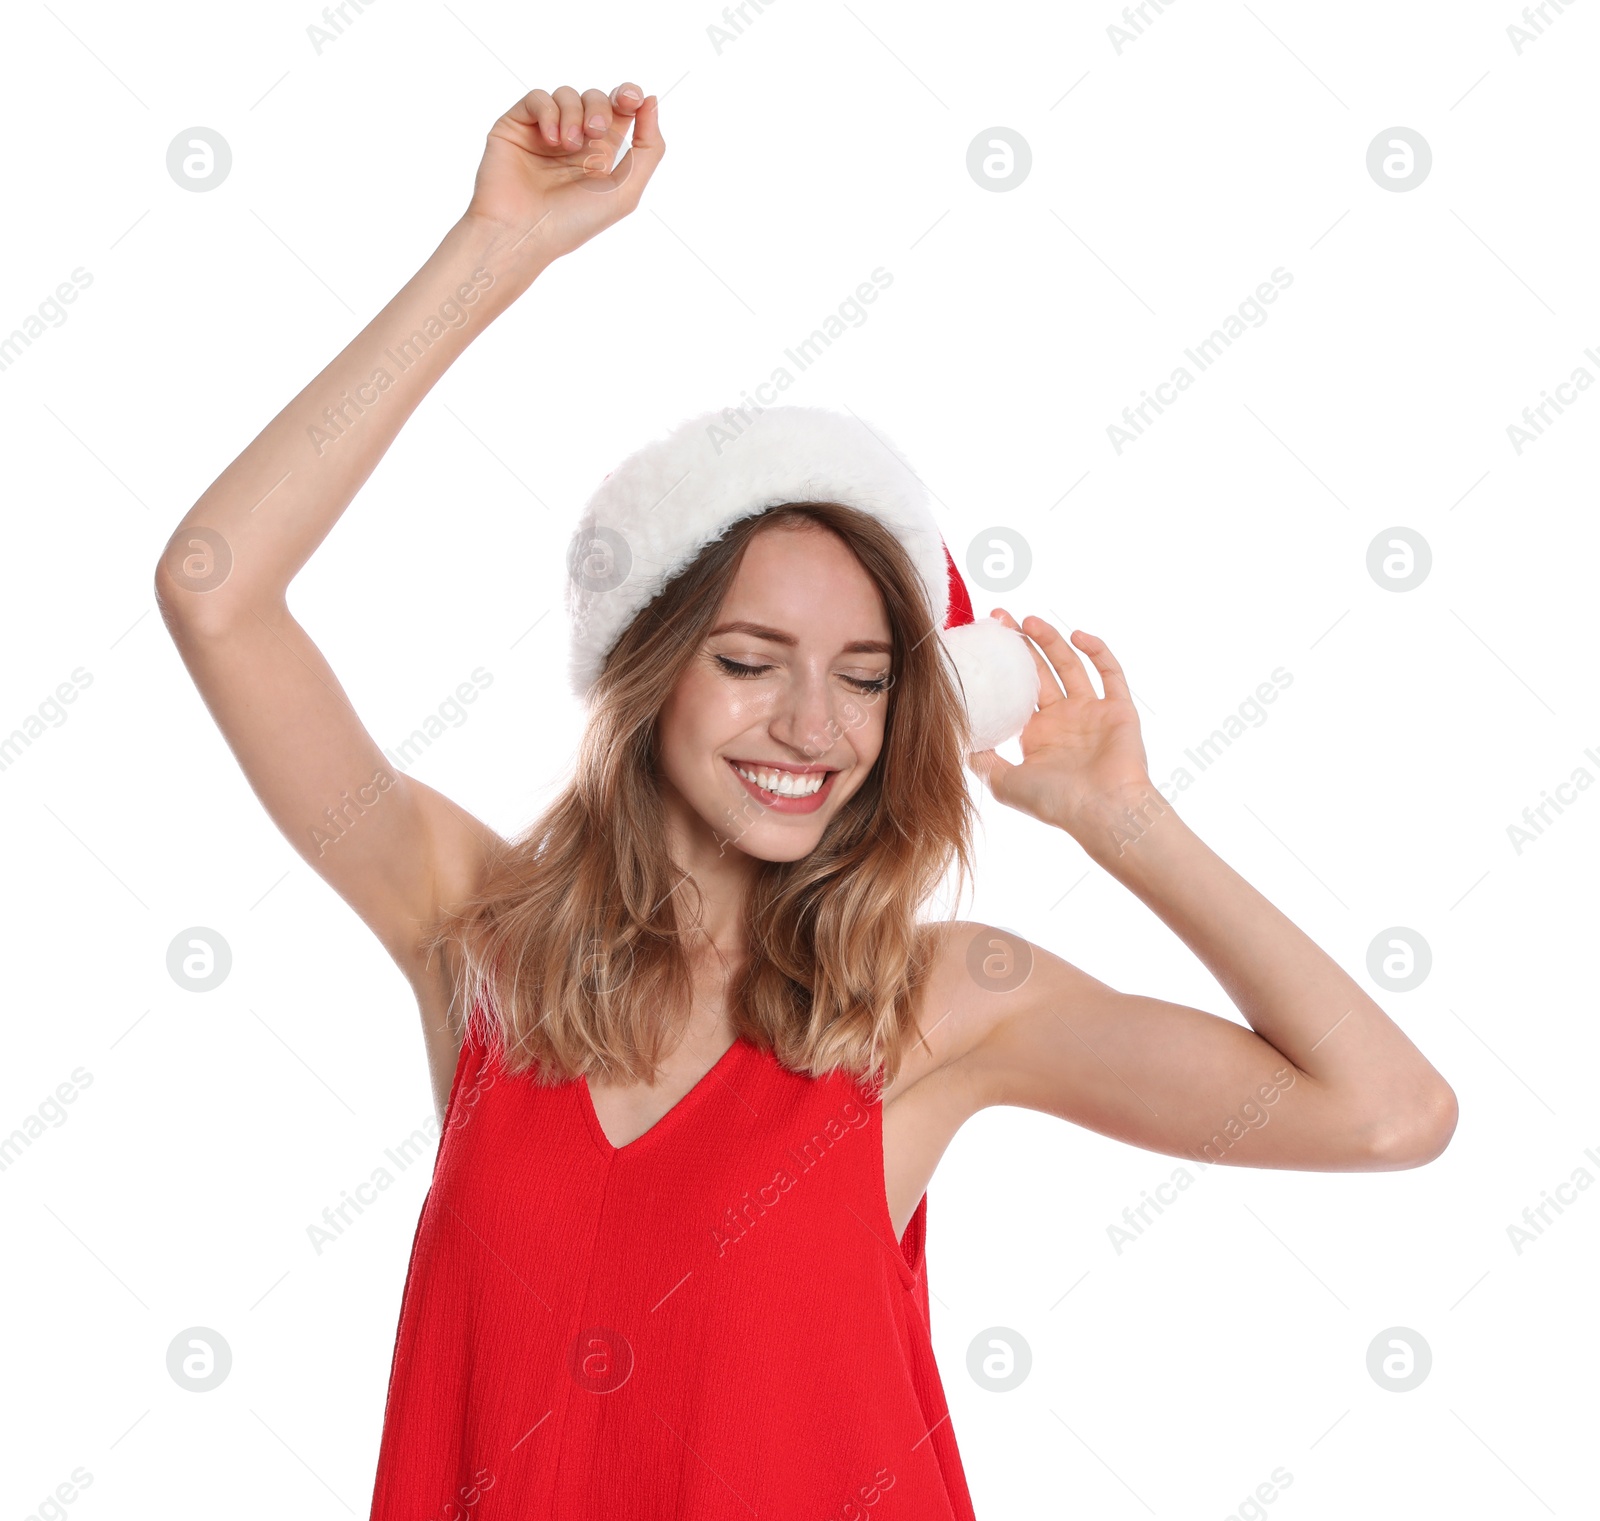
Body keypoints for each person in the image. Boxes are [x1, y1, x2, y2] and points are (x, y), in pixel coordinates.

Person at [153, 82, 1458, 1521]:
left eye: (864, 676)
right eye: (749, 659)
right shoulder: (478, 939)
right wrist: (497, 246)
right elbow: (215, 592)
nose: (810, 724)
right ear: (649, 678)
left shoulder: (936, 1005)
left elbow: (1389, 1111)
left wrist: (1129, 824)